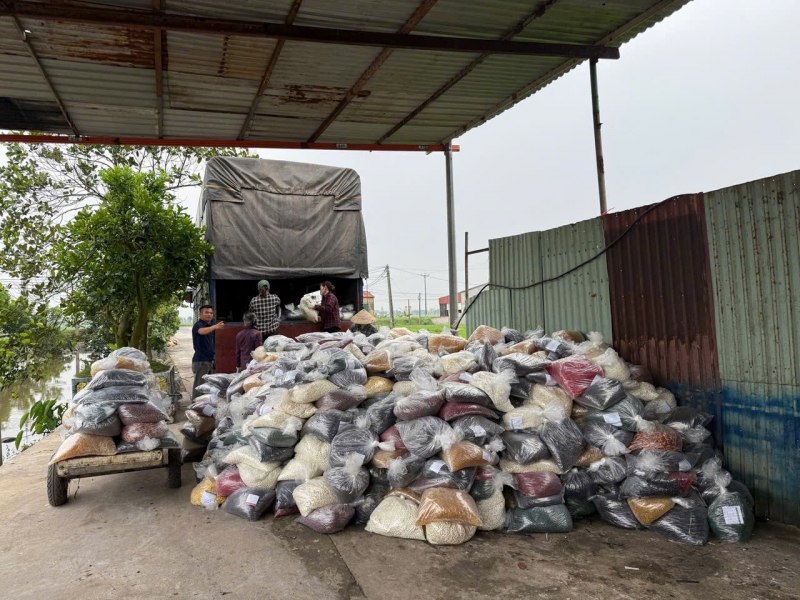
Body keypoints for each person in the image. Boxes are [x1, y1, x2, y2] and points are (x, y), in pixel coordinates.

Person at [192, 304, 223, 399]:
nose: (209, 314)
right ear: (200, 314)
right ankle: (195, 403)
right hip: (201, 360)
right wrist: (215, 326)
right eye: (206, 312)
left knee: (207, 386)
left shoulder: (208, 326)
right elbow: (201, 331)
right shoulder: (198, 325)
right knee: (199, 385)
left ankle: (204, 404)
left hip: (208, 360)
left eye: (211, 313)